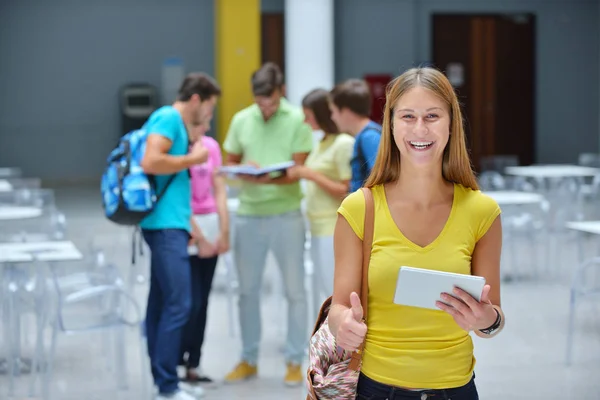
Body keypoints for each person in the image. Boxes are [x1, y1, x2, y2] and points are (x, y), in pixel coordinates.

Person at [329, 67, 505, 399]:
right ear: (391, 125)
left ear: (451, 124)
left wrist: (486, 318)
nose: (420, 128)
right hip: (376, 390)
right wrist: (343, 326)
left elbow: (493, 318)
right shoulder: (359, 209)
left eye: (432, 116)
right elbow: (339, 308)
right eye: (408, 116)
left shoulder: (482, 212)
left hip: (456, 390)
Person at [222, 62, 312, 387]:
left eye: (271, 102)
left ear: (281, 92)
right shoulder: (241, 119)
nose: (266, 108)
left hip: (287, 215)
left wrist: (265, 179)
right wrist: (246, 168)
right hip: (248, 215)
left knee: (294, 291)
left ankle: (293, 360)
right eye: (260, 103)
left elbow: (297, 168)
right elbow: (230, 162)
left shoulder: (297, 119)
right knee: (246, 291)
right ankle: (248, 358)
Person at [140, 72, 221, 400]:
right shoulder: (169, 117)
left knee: (162, 302)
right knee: (179, 303)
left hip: (170, 223)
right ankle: (167, 386)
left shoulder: (172, 120)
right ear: (196, 100)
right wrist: (193, 159)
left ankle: (164, 378)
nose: (210, 116)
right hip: (164, 226)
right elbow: (150, 161)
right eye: (210, 108)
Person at [286, 88, 354, 317]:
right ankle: (329, 348)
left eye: (309, 116)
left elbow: (347, 191)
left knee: (333, 294)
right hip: (316, 228)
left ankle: (342, 349)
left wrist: (309, 174)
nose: (305, 122)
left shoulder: (343, 143)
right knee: (322, 292)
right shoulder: (323, 142)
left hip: (332, 227)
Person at [179, 118, 230, 386]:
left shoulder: (210, 146)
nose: (207, 128)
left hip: (210, 224)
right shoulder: (178, 149)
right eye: (202, 122)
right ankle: (177, 359)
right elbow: (179, 196)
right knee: (189, 303)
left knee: (203, 304)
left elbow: (219, 189)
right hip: (188, 227)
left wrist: (224, 230)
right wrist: (198, 237)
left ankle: (194, 365)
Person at [329, 79, 382, 192]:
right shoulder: (364, 135)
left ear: (346, 111)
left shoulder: (369, 137)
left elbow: (381, 179)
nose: (332, 117)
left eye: (333, 111)